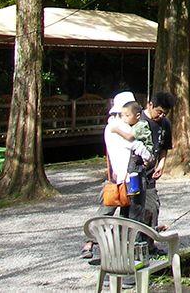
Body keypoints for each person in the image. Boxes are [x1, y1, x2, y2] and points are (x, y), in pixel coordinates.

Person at [82, 91, 153, 260]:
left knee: (109, 213)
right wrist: (149, 158)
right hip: (131, 179)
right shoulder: (121, 128)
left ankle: (103, 248)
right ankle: (130, 257)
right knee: (132, 217)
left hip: (116, 178)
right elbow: (138, 147)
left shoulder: (110, 127)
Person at [139, 91, 175, 251]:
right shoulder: (138, 120)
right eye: (158, 111)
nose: (161, 116)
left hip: (151, 172)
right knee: (133, 208)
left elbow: (164, 148)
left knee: (152, 206)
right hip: (135, 171)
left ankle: (149, 243)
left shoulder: (165, 124)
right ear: (150, 105)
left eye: (164, 113)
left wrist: (161, 164)